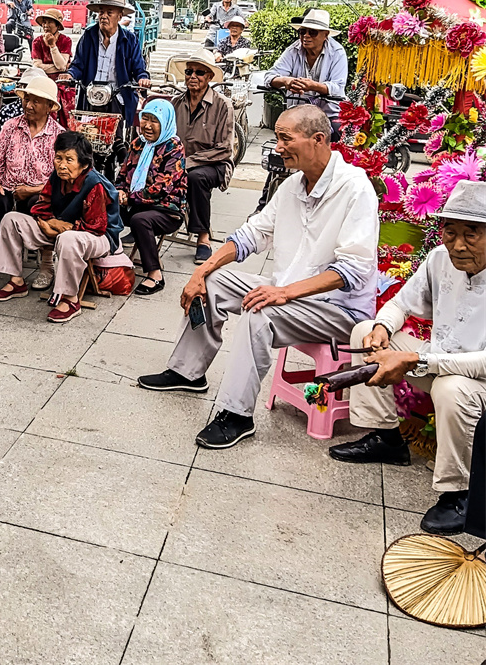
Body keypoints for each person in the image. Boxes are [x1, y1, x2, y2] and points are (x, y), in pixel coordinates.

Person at [137, 105, 379, 450]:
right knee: (215, 282)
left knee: (259, 312)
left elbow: (353, 271)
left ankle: (236, 415)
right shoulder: (294, 185)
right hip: (290, 293)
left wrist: (285, 293)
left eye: (285, 138)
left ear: (319, 139)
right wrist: (202, 270)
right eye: (277, 137)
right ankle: (187, 372)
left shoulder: (355, 189)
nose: (277, 146)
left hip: (337, 309)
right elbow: (251, 235)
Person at [329, 180, 486, 536]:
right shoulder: (440, 260)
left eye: (472, 233)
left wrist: (415, 359)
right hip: (436, 360)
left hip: (475, 382)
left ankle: (458, 493)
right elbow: (401, 303)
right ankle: (386, 438)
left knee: (452, 389)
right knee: (364, 332)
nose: (458, 244)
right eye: (451, 231)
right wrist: (383, 328)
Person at [0, 130, 124, 324]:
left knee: (68, 239)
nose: (62, 165)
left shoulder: (95, 184)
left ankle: (71, 299)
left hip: (99, 237)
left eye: (69, 160)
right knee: (11, 220)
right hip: (59, 230)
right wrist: (52, 224)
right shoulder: (57, 177)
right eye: (58, 158)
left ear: (84, 163)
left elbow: (97, 226)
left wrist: (62, 228)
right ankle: (16, 282)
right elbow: (40, 206)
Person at [0, 75, 63, 283]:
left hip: (39, 190)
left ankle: (46, 265)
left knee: (40, 205)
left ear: (49, 107)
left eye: (35, 101)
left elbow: (60, 177)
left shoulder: (58, 135)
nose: (28, 105)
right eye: (26, 99)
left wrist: (33, 189)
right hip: (8, 186)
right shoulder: (11, 126)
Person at [63, 0, 151, 167]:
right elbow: (78, 64)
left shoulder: (129, 39)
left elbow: (138, 67)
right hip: (91, 92)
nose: (103, 16)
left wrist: (142, 79)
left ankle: (121, 151)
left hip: (118, 94)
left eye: (109, 12)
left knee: (115, 120)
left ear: (119, 16)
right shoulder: (89, 36)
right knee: (85, 135)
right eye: (101, 12)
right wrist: (70, 74)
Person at [168, 49, 234, 265]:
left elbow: (225, 149)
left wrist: (187, 163)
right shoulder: (176, 103)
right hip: (180, 162)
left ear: (209, 77)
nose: (192, 77)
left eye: (199, 73)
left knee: (196, 177)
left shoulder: (223, 105)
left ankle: (202, 237)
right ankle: (147, 224)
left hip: (215, 164)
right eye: (189, 72)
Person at [115, 100, 187, 296]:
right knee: (103, 204)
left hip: (166, 210)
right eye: (144, 118)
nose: (147, 125)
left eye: (154, 120)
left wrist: (129, 198)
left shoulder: (173, 147)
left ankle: (155, 275)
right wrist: (120, 191)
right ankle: (107, 258)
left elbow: (162, 188)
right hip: (134, 203)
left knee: (140, 221)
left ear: (165, 122)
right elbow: (122, 175)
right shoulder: (138, 143)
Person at [263, 8, 347, 129]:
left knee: (337, 133)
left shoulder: (337, 53)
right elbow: (270, 76)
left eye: (312, 32)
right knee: (282, 135)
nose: (306, 36)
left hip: (327, 114)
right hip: (296, 113)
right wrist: (286, 81)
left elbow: (338, 87)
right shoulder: (293, 50)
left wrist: (313, 86)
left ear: (326, 35)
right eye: (302, 32)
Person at [31, 8, 72, 80]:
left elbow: (61, 66)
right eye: (44, 22)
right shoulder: (37, 42)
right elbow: (37, 66)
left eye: (50, 22)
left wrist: (52, 46)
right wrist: (59, 68)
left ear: (58, 26)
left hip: (61, 80)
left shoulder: (66, 40)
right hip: (42, 78)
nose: (46, 25)